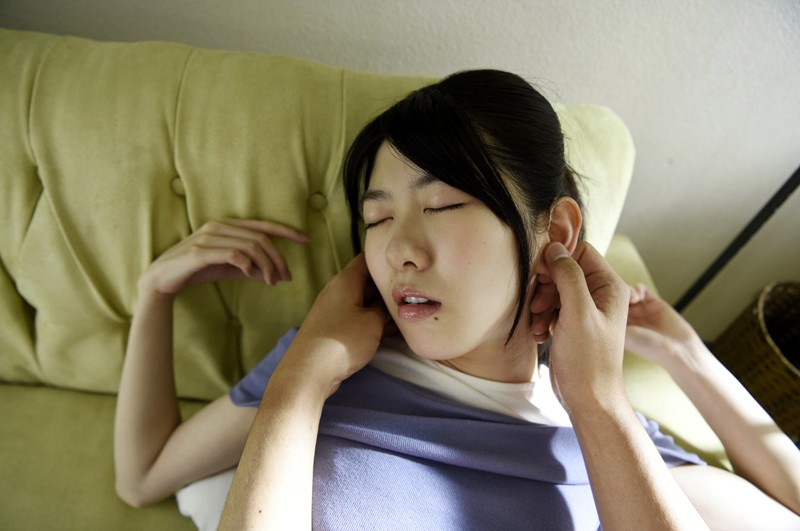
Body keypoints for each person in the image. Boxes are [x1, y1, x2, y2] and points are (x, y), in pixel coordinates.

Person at [114, 70, 800, 530]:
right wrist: (159, 296)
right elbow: (142, 476)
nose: (399, 250)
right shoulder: (328, 359)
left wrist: (681, 356)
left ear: (555, 232)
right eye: (377, 218)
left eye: (442, 205)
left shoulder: (599, 428)